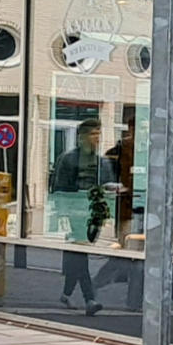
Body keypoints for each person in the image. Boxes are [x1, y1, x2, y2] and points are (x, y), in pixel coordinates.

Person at [49, 118, 109, 314]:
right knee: (80, 255)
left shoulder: (101, 162)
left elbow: (106, 186)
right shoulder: (68, 159)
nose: (97, 139)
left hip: (92, 214)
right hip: (75, 213)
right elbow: (58, 188)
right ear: (82, 137)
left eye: (99, 134)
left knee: (77, 255)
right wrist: (62, 213)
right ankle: (90, 299)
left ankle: (66, 294)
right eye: (93, 134)